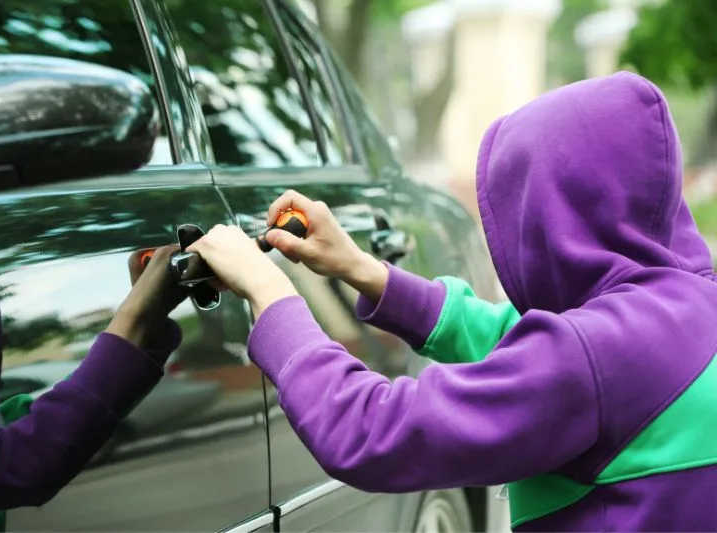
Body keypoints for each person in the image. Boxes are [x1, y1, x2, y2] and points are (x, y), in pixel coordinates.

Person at [186, 71, 717, 531]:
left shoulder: (595, 356)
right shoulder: (685, 310)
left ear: (552, 216)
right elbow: (524, 345)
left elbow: (374, 432)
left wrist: (270, 292)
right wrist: (364, 271)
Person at [0, 245, 187, 532]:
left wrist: (144, 321)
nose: (3, 338)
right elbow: (23, 458)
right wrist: (134, 315)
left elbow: (65, 413)